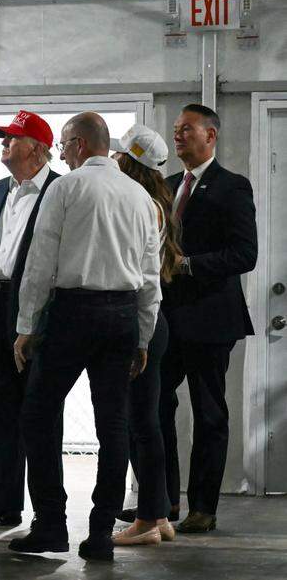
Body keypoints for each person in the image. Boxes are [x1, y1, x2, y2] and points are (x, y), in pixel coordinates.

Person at [8, 112, 161, 562]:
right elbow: (150, 277)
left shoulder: (66, 188)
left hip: (73, 312)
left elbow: (41, 263)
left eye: (62, 145)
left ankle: (51, 524)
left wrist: (26, 326)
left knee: (37, 414)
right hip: (121, 316)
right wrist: (143, 338)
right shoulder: (140, 197)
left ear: (77, 144)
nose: (59, 152)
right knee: (113, 425)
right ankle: (99, 533)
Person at [160, 104, 257, 534]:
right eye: (176, 129)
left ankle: (203, 507)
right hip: (165, 317)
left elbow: (244, 255)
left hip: (210, 319)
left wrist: (188, 265)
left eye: (186, 129)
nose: (177, 135)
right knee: (155, 406)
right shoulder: (164, 186)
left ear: (210, 136)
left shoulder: (232, 187)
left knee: (209, 413)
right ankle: (160, 504)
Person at [0, 110, 60, 529]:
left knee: (39, 416)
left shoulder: (61, 191)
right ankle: (4, 505)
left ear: (37, 149)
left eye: (12, 138)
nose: (4, 143)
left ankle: (47, 512)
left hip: (37, 315)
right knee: (1, 414)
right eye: (3, 137)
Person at [107, 124, 182, 546]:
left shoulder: (140, 204)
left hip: (143, 322)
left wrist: (140, 336)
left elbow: (142, 277)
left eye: (120, 156)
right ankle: (160, 512)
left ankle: (149, 519)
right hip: (153, 322)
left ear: (129, 162)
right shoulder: (158, 201)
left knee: (141, 424)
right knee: (147, 421)